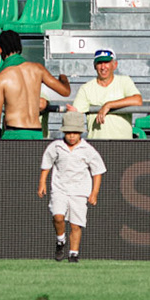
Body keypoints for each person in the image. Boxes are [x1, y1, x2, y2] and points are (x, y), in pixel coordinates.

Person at [38, 111, 105, 263]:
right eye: (68, 132)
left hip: (80, 191)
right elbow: (47, 164)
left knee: (76, 224)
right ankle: (60, 240)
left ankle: (73, 253)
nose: (72, 136)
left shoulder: (87, 149)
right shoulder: (56, 146)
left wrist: (94, 193)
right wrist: (42, 183)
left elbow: (98, 171)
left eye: (75, 132)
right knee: (58, 216)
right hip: (59, 188)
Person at [0, 31, 71, 140]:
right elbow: (65, 91)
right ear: (20, 47)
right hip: (36, 133)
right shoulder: (38, 69)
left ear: (0, 49)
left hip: (14, 132)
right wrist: (63, 78)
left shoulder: (1, 77)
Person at [70, 49, 143, 140]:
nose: (103, 67)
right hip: (96, 146)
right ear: (94, 66)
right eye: (100, 63)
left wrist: (108, 105)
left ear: (114, 65)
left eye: (107, 62)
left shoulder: (124, 81)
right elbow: (74, 115)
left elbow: (137, 100)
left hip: (123, 146)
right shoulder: (86, 88)